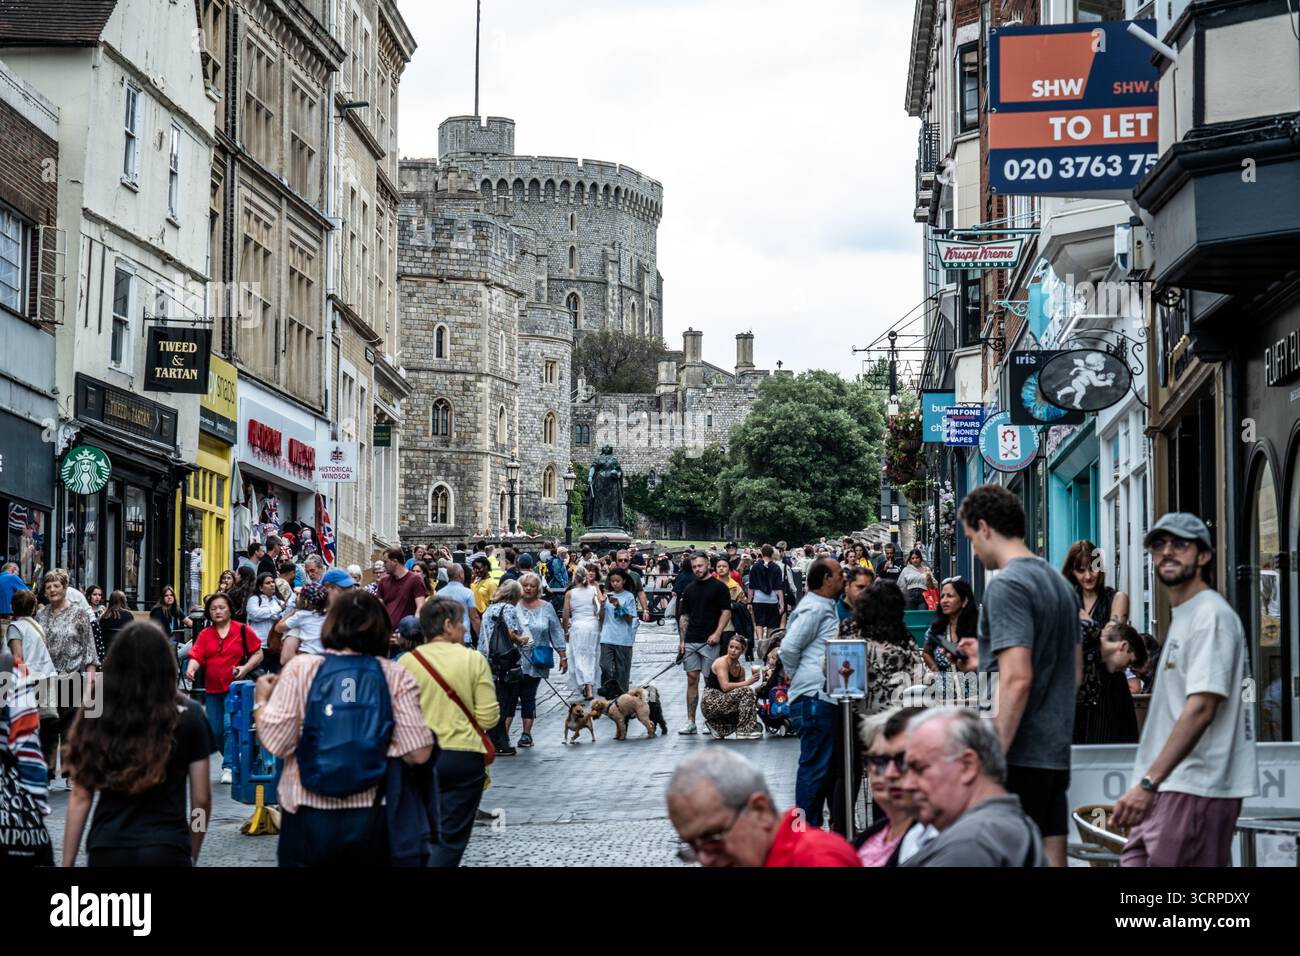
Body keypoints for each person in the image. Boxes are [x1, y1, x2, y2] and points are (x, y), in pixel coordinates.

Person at [1114, 513, 1258, 867]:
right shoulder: (1185, 615)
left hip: (1194, 786)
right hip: (1167, 787)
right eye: (1159, 544)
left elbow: (1201, 708)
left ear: (1204, 556)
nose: (1167, 552)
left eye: (1180, 544)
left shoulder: (1212, 616)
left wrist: (1148, 782)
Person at [254, 589, 434, 866]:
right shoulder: (394, 675)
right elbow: (418, 753)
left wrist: (261, 703)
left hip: (307, 813)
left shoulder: (301, 670)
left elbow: (279, 743)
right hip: (374, 812)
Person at [958, 484, 1080, 868]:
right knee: (1052, 854)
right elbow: (1072, 671)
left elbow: (1018, 678)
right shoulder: (1060, 585)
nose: (974, 550)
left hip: (1019, 753)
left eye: (971, 539)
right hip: (1055, 750)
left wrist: (994, 756)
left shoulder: (1007, 585)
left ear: (984, 527)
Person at [60, 621, 214, 867]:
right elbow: (201, 800)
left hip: (109, 846)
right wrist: (191, 849)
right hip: (166, 846)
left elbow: (81, 793)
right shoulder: (190, 714)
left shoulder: (98, 709)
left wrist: (67, 863)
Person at [401, 596, 501, 867]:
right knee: (451, 837)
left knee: (422, 831)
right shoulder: (473, 660)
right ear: (447, 625)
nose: (465, 629)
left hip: (419, 758)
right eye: (461, 623)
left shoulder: (407, 663)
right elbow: (489, 716)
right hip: (463, 757)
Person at [901, 708, 1046, 867]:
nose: (907, 785)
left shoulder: (971, 843)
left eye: (919, 768)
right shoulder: (996, 830)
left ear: (967, 766)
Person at [667, 749, 860, 867]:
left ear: (760, 811)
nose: (704, 860)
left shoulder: (816, 859)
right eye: (692, 846)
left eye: (712, 839)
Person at [779, 557, 845, 828]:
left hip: (820, 695)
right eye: (839, 573)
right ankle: (805, 832)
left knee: (820, 767)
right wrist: (798, 677)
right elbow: (789, 648)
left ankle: (812, 829)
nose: (844, 577)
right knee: (814, 768)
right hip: (814, 697)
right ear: (826, 579)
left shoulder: (824, 606)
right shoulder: (815, 608)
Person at [1062, 540, 1137, 745]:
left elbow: (1110, 639)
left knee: (1108, 756)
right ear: (1072, 571)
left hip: (1109, 689)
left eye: (1092, 568)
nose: (1087, 576)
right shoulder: (1065, 599)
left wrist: (1081, 620)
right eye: (1080, 570)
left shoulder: (1116, 598)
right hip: (1074, 691)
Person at [185, 592, 264, 785]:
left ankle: (228, 766)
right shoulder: (205, 634)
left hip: (236, 688)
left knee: (229, 726)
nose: (217, 611)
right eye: (213, 609)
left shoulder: (242, 630)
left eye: (221, 607)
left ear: (230, 609)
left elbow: (258, 653)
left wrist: (245, 668)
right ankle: (232, 756)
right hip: (212, 689)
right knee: (215, 730)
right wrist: (191, 668)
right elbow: (196, 656)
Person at [35, 570, 98, 783]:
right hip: (45, 678)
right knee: (47, 727)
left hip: (71, 677)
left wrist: (91, 684)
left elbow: (90, 650)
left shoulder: (79, 614)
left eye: (56, 586)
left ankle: (71, 772)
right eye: (48, 586)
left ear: (65, 588)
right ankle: (48, 771)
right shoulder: (40, 616)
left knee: (70, 729)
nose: (52, 590)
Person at [855, 707, 936, 866]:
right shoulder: (874, 833)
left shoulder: (930, 837)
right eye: (876, 760)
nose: (888, 773)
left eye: (901, 760)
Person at [509, 573, 568, 749]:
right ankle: (503, 735)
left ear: (538, 589)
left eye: (532, 586)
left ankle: (526, 734)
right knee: (510, 698)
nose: (528, 588)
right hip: (514, 660)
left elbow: (556, 631)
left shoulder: (547, 607)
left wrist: (563, 655)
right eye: (525, 585)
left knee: (528, 696)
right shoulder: (512, 607)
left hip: (536, 660)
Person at [676, 552, 732, 735]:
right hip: (692, 639)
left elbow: (726, 612)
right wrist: (682, 641)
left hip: (710, 641)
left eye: (700, 566)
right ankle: (690, 720)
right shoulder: (689, 588)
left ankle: (711, 719)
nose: (697, 569)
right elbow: (684, 617)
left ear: (708, 564)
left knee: (710, 680)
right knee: (692, 679)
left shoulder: (719, 587)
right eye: (694, 567)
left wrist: (717, 633)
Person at [855, 581, 929, 716]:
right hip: (895, 712)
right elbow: (917, 674)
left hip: (857, 712)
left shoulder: (851, 630)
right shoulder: (903, 636)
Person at [476, 579, 526, 756]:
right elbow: (513, 634)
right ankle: (498, 741)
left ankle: (495, 740)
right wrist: (524, 640)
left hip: (487, 660)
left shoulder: (490, 609)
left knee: (495, 699)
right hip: (504, 661)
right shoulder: (510, 609)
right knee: (504, 701)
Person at [923, 577, 979, 703]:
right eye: (942, 596)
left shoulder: (978, 627)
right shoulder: (937, 629)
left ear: (964, 601)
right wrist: (936, 671)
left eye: (950, 596)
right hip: (944, 693)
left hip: (975, 693)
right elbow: (926, 652)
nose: (944, 600)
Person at [701, 636, 764, 740]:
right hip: (711, 701)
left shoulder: (741, 670)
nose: (733, 650)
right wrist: (747, 682)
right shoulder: (722, 662)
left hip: (725, 701)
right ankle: (744, 730)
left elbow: (742, 696)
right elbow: (725, 687)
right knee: (747, 690)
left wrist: (758, 703)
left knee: (746, 701)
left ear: (742, 651)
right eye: (731, 647)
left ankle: (717, 727)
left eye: (737, 648)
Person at [564, 563, 603, 700]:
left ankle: (586, 686)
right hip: (593, 625)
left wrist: (565, 632)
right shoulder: (593, 589)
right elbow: (601, 603)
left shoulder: (570, 593)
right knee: (592, 656)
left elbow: (565, 615)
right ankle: (590, 685)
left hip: (578, 626)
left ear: (575, 578)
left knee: (579, 656)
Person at [597, 567, 638, 698]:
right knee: (605, 666)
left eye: (618, 581)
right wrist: (603, 605)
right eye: (613, 581)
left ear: (624, 581)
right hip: (607, 636)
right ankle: (608, 692)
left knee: (622, 670)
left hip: (623, 638)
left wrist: (619, 606)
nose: (615, 583)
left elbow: (629, 619)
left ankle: (623, 697)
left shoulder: (629, 596)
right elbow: (602, 619)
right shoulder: (607, 595)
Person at [377, 546, 428, 630]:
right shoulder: (383, 582)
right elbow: (378, 609)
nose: (384, 565)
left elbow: (420, 607)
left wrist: (412, 630)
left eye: (385, 562)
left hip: (406, 636)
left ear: (394, 562)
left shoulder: (415, 579)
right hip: (386, 635)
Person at [277, 582, 328, 663]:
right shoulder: (326, 615)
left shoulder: (301, 615)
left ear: (305, 602)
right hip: (323, 657)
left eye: (299, 596)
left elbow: (278, 628)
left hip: (306, 654)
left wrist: (292, 613)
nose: (297, 598)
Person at [746, 544, 783, 644]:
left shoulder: (754, 567)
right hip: (772, 599)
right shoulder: (776, 568)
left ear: (761, 553)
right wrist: (782, 604)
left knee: (759, 623)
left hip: (758, 598)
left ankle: (760, 641)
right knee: (771, 624)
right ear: (772, 553)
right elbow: (779, 587)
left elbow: (751, 587)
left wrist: (749, 602)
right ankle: (769, 643)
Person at [438, 563, 480, 646]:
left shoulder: (439, 594)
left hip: (446, 637)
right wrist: (480, 637)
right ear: (461, 574)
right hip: (464, 637)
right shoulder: (468, 593)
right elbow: (474, 617)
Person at [96, 590, 133, 661]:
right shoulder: (128, 615)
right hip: (123, 652)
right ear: (123, 600)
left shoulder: (104, 616)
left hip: (106, 652)